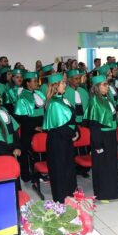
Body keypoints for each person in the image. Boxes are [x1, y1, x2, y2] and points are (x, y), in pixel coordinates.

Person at [83, 74, 118, 202]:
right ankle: (103, 194)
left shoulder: (107, 98)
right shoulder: (94, 101)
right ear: (97, 87)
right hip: (101, 137)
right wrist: (98, 145)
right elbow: (94, 126)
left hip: (110, 135)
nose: (107, 86)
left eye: (107, 84)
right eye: (104, 84)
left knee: (110, 165)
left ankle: (112, 192)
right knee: (102, 166)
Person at [42, 73, 78, 203]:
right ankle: (61, 200)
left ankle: (70, 197)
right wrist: (73, 134)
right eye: (63, 83)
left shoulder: (63, 99)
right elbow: (61, 127)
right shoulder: (54, 104)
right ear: (55, 86)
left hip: (66, 139)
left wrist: (76, 131)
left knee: (68, 170)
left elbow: (71, 120)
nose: (65, 85)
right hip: (58, 142)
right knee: (60, 172)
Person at [15, 71, 45, 182]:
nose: (37, 83)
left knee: (42, 150)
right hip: (29, 126)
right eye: (35, 81)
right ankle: (28, 175)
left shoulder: (39, 93)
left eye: (37, 81)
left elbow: (45, 110)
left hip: (42, 124)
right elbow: (21, 117)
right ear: (28, 83)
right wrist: (34, 127)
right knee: (27, 151)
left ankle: (42, 172)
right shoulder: (22, 97)